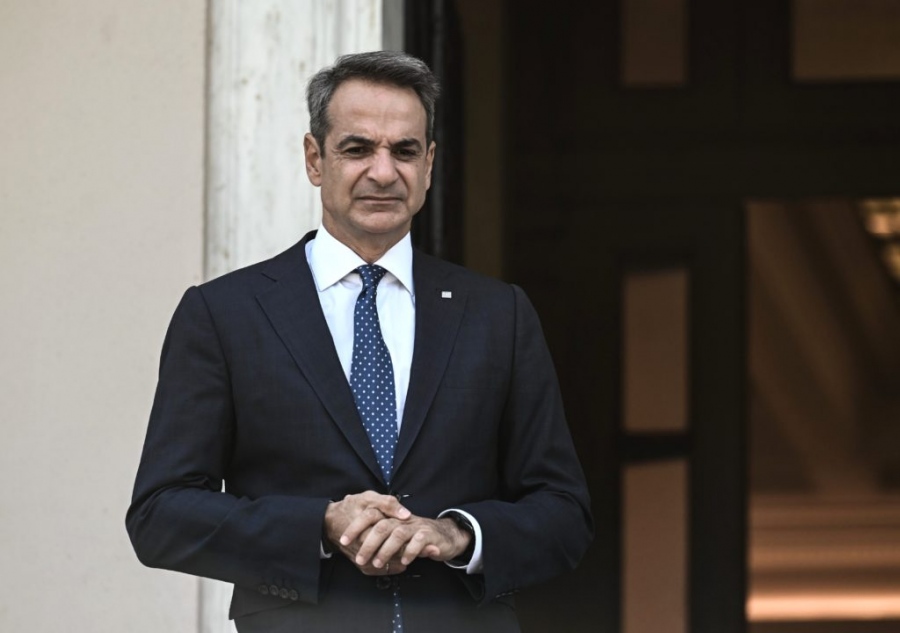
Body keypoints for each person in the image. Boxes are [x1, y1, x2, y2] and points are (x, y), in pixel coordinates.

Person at [126, 50, 592, 633]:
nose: (383, 172)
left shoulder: (500, 314)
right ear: (314, 159)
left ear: (429, 165)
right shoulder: (224, 315)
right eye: (357, 148)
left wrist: (458, 534)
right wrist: (320, 525)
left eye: (405, 151)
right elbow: (160, 515)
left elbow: (564, 513)